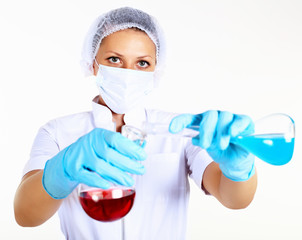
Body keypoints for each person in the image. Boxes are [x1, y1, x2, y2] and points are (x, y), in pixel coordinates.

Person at [14, 7, 257, 240]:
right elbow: (25, 215)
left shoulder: (178, 130)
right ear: (92, 63)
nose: (129, 73)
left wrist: (237, 168)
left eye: (142, 63)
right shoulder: (58, 132)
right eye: (114, 59)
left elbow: (235, 199)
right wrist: (63, 168)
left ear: (155, 69)